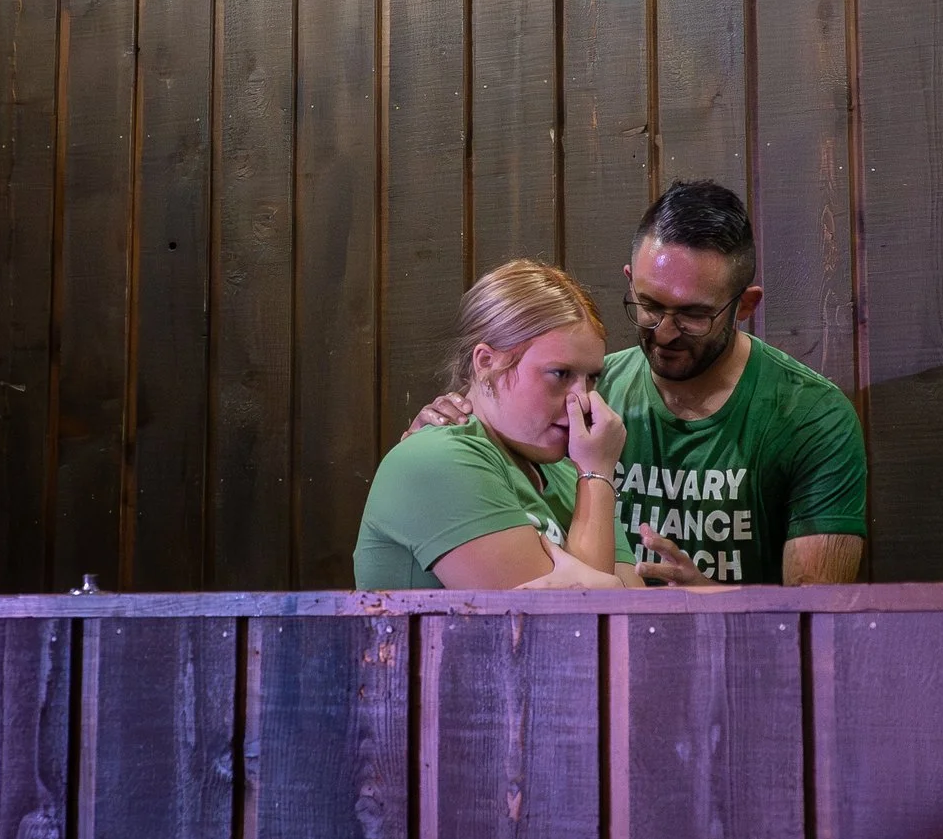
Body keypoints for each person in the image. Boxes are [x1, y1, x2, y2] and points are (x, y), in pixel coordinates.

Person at [407, 180, 868, 585]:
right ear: (630, 281)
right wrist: (442, 430)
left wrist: (708, 598)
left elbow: (818, 614)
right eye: (649, 305)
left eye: (693, 315)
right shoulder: (585, 390)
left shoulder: (810, 415)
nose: (664, 332)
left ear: (745, 306)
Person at [356, 260, 638, 589]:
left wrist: (594, 476)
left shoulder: (570, 471)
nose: (583, 399)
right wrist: (596, 477)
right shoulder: (438, 459)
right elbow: (576, 617)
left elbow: (637, 610)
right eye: (561, 374)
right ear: (487, 362)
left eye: (591, 378)